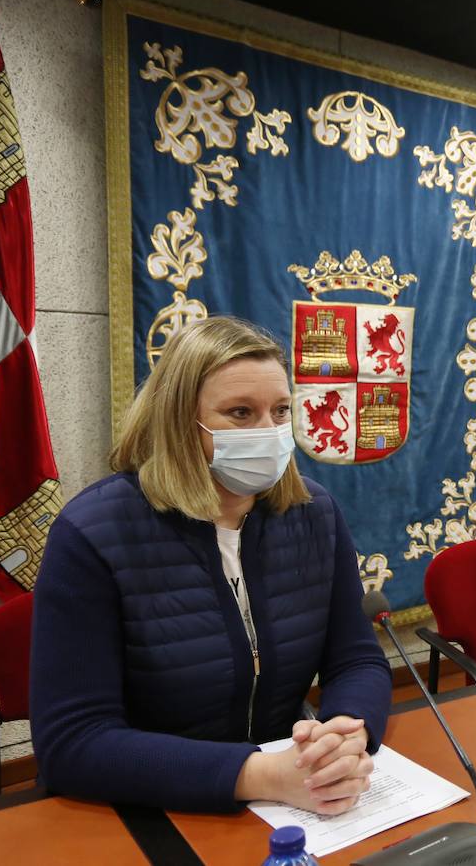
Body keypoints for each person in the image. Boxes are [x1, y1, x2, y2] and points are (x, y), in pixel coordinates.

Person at [30, 317, 392, 814]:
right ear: (179, 421)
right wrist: (261, 775)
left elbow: (356, 659)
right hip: (148, 804)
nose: (269, 432)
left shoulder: (314, 513)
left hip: (287, 796)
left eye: (281, 411)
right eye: (240, 413)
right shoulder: (92, 533)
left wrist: (347, 734)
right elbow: (73, 742)